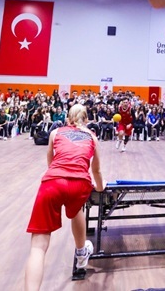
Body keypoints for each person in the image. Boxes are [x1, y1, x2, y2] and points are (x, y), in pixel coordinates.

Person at [24, 104, 105, 291]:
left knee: (38, 247)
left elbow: (50, 162)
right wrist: (100, 187)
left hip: (53, 181)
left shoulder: (55, 133)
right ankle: (81, 252)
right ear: (86, 120)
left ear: (68, 118)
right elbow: (97, 170)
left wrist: (58, 180)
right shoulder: (92, 136)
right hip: (80, 183)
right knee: (76, 209)